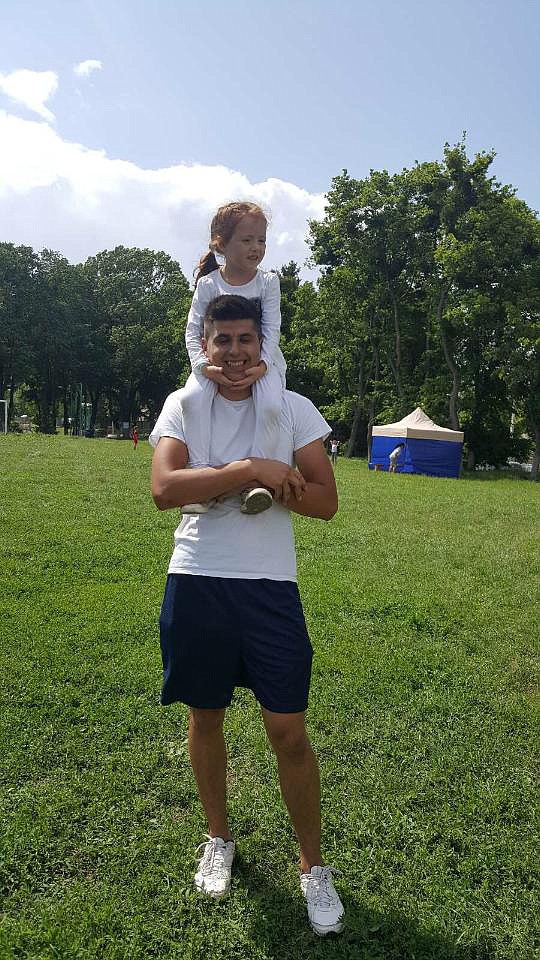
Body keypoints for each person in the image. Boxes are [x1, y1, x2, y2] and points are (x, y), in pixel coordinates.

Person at [149, 294, 345, 937]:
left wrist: (278, 475)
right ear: (204, 346)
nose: (233, 352)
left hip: (269, 590)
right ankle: (218, 839)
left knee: (288, 730)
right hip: (198, 578)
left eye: (244, 340)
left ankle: (312, 867)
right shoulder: (183, 406)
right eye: (221, 340)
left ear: (263, 346)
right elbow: (164, 490)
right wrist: (248, 471)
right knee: (205, 717)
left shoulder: (292, 409)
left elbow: (324, 503)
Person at [180, 201, 285, 517]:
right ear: (221, 244)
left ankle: (256, 480)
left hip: (264, 362)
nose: (256, 248)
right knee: (191, 400)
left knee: (269, 404)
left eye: (261, 240)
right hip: (212, 363)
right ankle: (200, 476)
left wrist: (262, 367)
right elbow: (192, 331)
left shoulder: (268, 282)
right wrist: (204, 367)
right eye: (247, 240)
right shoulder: (208, 284)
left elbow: (272, 329)